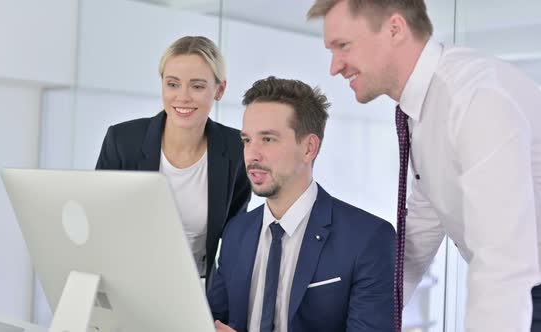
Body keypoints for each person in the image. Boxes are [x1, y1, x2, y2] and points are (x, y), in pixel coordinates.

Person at [307, 1, 541, 331]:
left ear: (395, 29)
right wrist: (371, 313)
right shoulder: (423, 106)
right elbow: (425, 218)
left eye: (343, 46)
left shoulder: (474, 98)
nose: (334, 67)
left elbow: (503, 260)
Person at [207, 76, 395, 332]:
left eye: (268, 139)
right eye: (247, 140)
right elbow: (210, 322)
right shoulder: (236, 232)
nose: (252, 154)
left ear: (309, 148)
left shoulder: (368, 238)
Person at [95, 36, 251, 283]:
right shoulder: (123, 141)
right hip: (124, 283)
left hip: (195, 290)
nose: (183, 97)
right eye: (173, 84)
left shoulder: (236, 149)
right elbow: (97, 221)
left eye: (197, 86)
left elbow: (235, 240)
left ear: (219, 90)